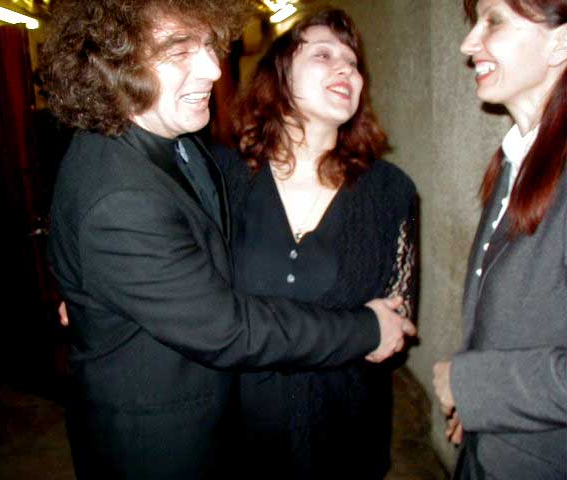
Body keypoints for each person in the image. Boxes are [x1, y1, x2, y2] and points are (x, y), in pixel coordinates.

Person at [41, 0, 417, 478]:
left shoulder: (184, 146)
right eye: (180, 49)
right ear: (113, 56)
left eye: (208, 45)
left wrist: (106, 290)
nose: (214, 69)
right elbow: (227, 328)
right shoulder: (129, 194)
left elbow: (183, 249)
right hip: (167, 447)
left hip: (330, 429)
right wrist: (364, 328)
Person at [218, 9, 418, 479]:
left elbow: (394, 328)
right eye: (323, 55)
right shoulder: (225, 179)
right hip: (238, 438)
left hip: (346, 437)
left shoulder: (391, 191)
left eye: (352, 62)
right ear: (280, 74)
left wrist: (378, 331)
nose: (345, 68)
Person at [433, 0, 567, 478]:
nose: (468, 44)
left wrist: (471, 385)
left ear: (560, 43)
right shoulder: (517, 159)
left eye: (494, 20)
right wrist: (480, 408)